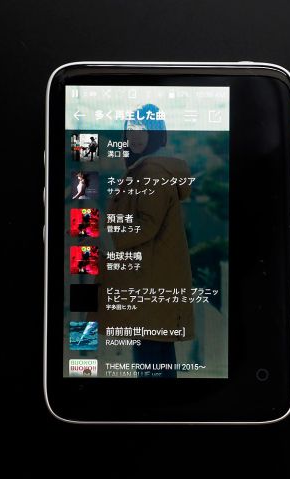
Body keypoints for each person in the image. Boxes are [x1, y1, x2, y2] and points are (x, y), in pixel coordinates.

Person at [95, 103, 194, 378]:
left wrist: (110, 238)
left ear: (156, 133)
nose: (134, 137)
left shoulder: (151, 171)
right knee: (159, 354)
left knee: (149, 357)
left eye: (142, 130)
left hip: (148, 279)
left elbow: (147, 224)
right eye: (130, 130)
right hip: (154, 275)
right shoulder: (149, 168)